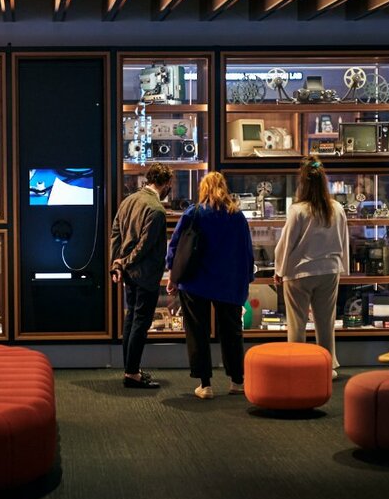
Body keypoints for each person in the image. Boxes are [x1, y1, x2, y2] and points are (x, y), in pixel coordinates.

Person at [166, 172, 254, 399]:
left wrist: (173, 277)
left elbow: (177, 246)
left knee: (198, 331)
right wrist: (246, 279)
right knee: (232, 332)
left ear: (202, 189)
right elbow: (247, 250)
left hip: (196, 282)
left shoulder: (194, 213)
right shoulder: (237, 216)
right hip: (229, 282)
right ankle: (237, 381)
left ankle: (205, 385)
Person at [274, 156, 349, 378]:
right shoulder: (336, 208)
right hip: (329, 270)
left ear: (302, 183)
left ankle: (296, 365)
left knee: (296, 323)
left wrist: (279, 270)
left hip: (299, 272)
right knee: (326, 322)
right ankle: (328, 366)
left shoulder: (298, 210)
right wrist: (343, 267)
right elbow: (343, 240)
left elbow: (286, 243)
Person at [110, 162, 173, 388]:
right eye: (169, 186)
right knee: (140, 322)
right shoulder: (156, 209)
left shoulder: (128, 201)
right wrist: (124, 262)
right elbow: (145, 246)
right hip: (145, 273)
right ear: (166, 184)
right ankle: (132, 373)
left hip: (129, 273)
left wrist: (116, 265)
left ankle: (130, 370)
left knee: (131, 320)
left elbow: (115, 233)